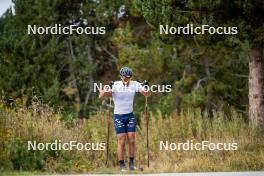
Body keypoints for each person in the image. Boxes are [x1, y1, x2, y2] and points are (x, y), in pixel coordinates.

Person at [99, 67, 150, 171]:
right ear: (121, 77)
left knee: (131, 139)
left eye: (127, 78)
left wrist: (146, 88)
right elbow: (101, 96)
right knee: (121, 140)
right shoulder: (116, 85)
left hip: (130, 115)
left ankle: (131, 164)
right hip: (118, 116)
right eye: (124, 78)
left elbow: (147, 94)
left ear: (130, 77)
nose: (125, 80)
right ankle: (122, 165)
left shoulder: (135, 84)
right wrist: (107, 88)